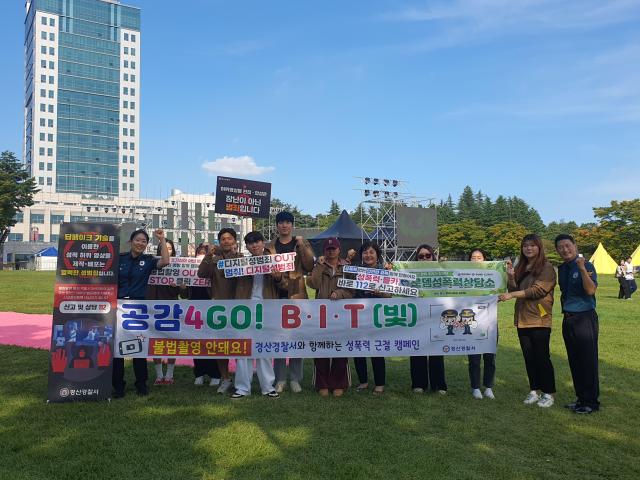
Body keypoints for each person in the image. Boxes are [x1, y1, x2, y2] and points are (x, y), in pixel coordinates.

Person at [499, 234, 556, 408]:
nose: (528, 248)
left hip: (539, 319)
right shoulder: (522, 266)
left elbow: (537, 291)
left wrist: (512, 295)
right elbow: (514, 288)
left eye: (532, 245)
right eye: (525, 246)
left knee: (541, 357)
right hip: (522, 319)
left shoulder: (547, 268)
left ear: (539, 247)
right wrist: (510, 276)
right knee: (529, 357)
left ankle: (548, 393)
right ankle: (534, 390)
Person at [113, 229, 170, 398]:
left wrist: (162, 239)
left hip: (138, 308)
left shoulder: (148, 260)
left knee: (139, 348)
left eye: (144, 241)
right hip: (119, 307)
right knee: (117, 349)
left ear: (146, 245)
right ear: (131, 242)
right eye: (137, 240)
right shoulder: (120, 259)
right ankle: (118, 386)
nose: (140, 243)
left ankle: (141, 384)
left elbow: (166, 261)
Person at [266, 211, 315, 394]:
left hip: (296, 295)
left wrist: (302, 245)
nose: (284, 225)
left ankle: (295, 378)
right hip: (275, 295)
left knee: (296, 338)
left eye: (287, 222)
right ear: (277, 225)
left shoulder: (300, 242)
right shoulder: (269, 246)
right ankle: (279, 378)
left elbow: (310, 265)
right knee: (278, 338)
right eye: (281, 222)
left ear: (292, 225)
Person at [231, 231, 281, 399]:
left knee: (264, 347)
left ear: (263, 243)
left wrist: (278, 277)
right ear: (247, 246)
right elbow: (225, 274)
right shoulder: (241, 262)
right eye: (250, 243)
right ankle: (242, 388)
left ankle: (268, 386)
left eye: (257, 242)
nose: (254, 245)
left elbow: (286, 284)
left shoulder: (275, 260)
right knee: (243, 348)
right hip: (244, 308)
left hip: (266, 308)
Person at [555, 234, 600, 414]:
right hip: (569, 318)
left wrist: (581, 269)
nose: (565, 250)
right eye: (560, 247)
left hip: (585, 318)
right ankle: (581, 398)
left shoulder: (586, 265)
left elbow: (590, 290)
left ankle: (591, 402)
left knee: (588, 361)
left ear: (575, 245)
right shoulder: (563, 268)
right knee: (575, 361)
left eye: (567, 245)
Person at [306, 237, 353, 397]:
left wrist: (339, 293)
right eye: (328, 249)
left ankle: (339, 383)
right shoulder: (319, 265)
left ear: (339, 250)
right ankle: (322, 384)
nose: (331, 251)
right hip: (322, 314)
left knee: (340, 349)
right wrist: (319, 265)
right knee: (321, 349)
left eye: (334, 248)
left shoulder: (347, 268)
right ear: (324, 251)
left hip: (343, 313)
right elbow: (313, 283)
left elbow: (353, 290)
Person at [197, 228, 242, 394]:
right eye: (223, 239)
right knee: (220, 346)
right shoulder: (213, 260)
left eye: (230, 238)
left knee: (239, 346)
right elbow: (201, 274)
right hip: (219, 309)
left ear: (235, 241)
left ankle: (241, 378)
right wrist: (208, 255)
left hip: (239, 308)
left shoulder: (241, 259)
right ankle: (225, 378)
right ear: (219, 242)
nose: (226, 241)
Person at [352, 241, 389, 395]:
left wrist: (380, 292)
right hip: (358, 315)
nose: (368, 255)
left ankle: (379, 383)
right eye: (365, 253)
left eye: (371, 252)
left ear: (377, 255)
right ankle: (363, 381)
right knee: (358, 349)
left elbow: (390, 295)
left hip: (377, 316)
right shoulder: (355, 272)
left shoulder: (385, 272)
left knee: (377, 349)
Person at [410, 244, 447, 395]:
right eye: (421, 256)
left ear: (433, 256)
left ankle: (439, 384)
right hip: (417, 316)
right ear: (416, 259)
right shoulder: (409, 272)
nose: (425, 258)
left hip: (436, 315)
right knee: (417, 348)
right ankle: (418, 383)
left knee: (436, 350)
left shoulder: (442, 273)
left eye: (428, 255)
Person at [146, 239, 183, 386]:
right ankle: (159, 375)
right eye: (163, 248)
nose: (166, 251)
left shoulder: (179, 266)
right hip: (152, 308)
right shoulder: (151, 264)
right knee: (155, 342)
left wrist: (180, 287)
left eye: (169, 248)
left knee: (171, 342)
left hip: (171, 308)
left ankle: (169, 374)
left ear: (173, 251)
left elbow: (183, 291)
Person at [467, 248, 496, 400]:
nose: (476, 260)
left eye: (479, 257)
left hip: (489, 321)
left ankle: (489, 387)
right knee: (474, 357)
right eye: (473, 257)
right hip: (471, 321)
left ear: (485, 259)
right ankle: (475, 387)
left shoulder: (494, 276)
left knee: (490, 356)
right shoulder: (462, 278)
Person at [191, 243, 221, 386]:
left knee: (212, 342)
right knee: (196, 342)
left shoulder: (215, 265)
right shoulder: (190, 267)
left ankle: (215, 373)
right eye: (201, 251)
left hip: (212, 307)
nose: (203, 254)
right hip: (195, 309)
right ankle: (199, 373)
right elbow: (185, 294)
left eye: (207, 251)